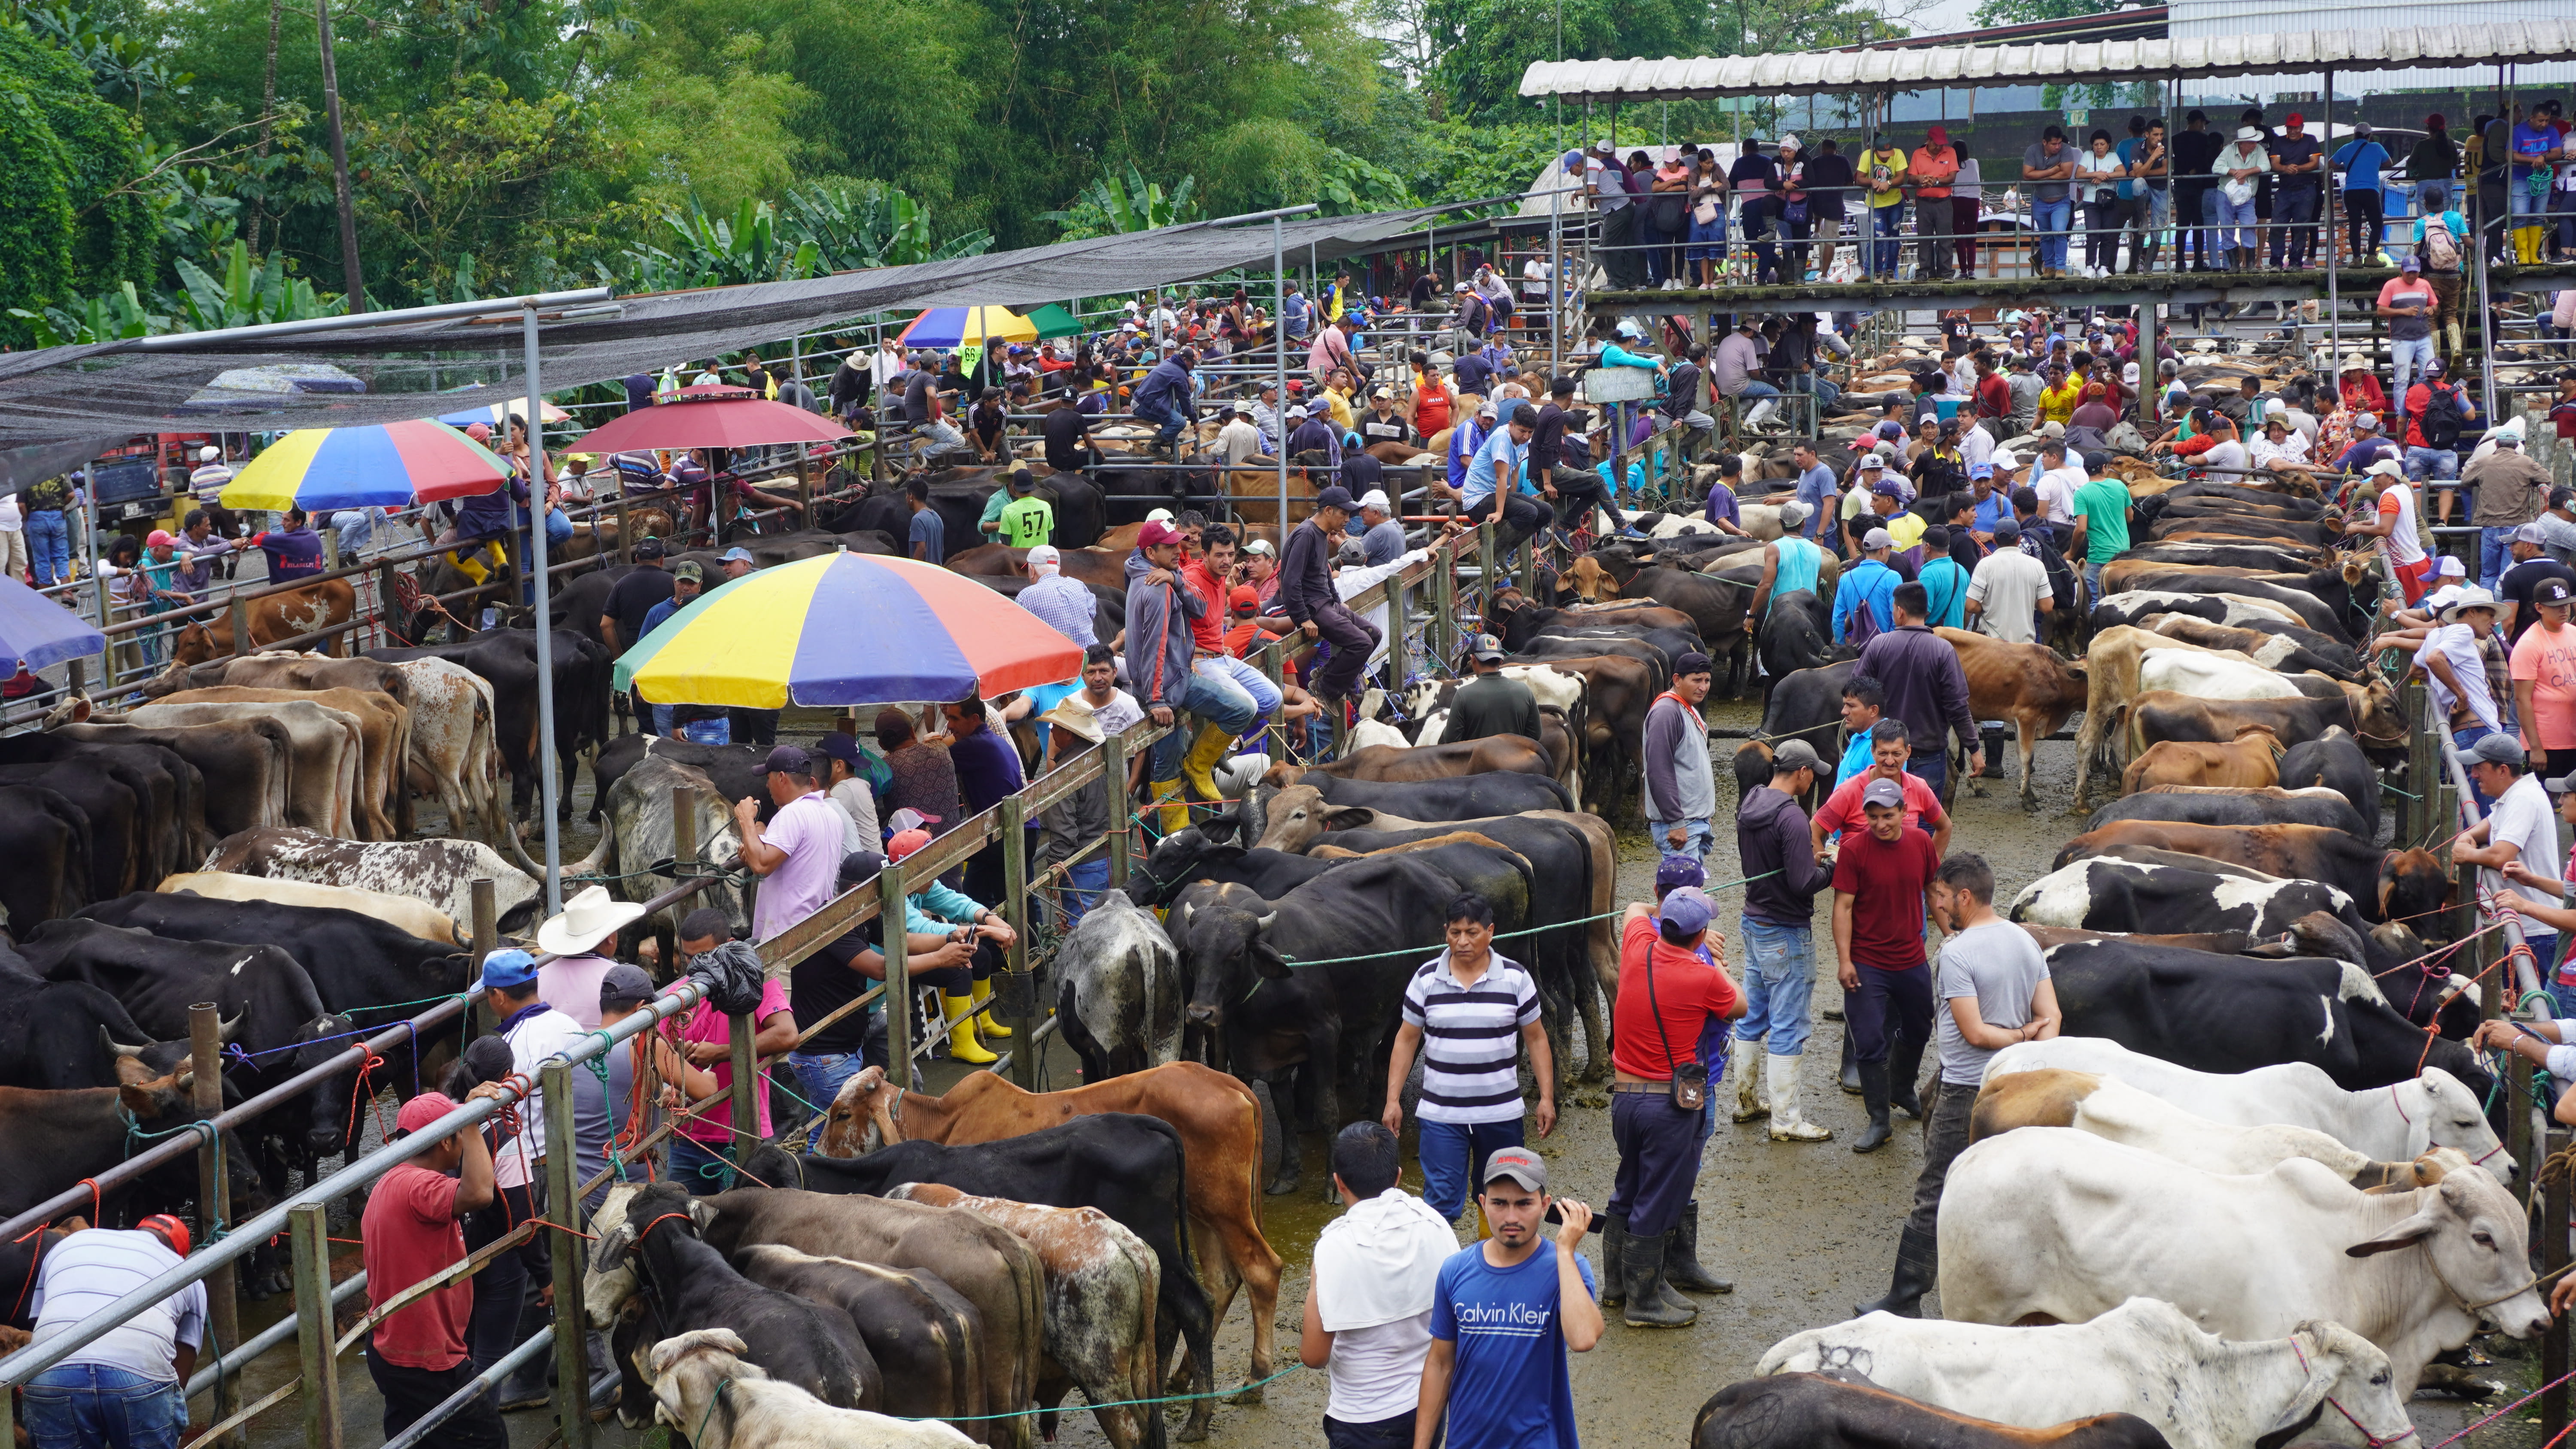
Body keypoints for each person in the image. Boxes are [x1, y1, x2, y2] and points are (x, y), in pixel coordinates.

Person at [1857, 852, 2059, 1318]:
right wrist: (2028, 1051)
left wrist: (2017, 1036)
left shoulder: (1958, 952)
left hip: (1968, 1086)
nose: (1939, 905)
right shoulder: (2024, 940)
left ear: (1965, 896)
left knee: (1934, 1191)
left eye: (1944, 896)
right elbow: (2053, 1017)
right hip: (2017, 1082)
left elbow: (1975, 1032)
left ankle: (1905, 1299)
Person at [1602, 888, 1742, 1328]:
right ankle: (1644, 1301)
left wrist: (1656, 908)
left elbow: (1632, 910)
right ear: (1700, 934)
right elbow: (1741, 1004)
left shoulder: (1636, 946)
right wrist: (1715, 960)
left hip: (1626, 1098)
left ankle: (1619, 1285)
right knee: (1659, 1196)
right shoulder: (1702, 975)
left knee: (1629, 1184)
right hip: (1670, 1103)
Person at [1381, 892, 1556, 1230]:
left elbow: (1536, 1038)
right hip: (1442, 1114)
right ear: (1445, 932)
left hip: (1501, 1112)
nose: (1462, 941)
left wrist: (1546, 1098)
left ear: (1490, 932)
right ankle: (1445, 1274)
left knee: (1501, 1196)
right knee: (1441, 1201)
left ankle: (1492, 1267)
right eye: (1455, 932)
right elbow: (1406, 1039)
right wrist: (1393, 1100)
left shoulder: (1516, 978)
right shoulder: (1426, 979)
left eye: (1472, 932)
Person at [1414, 1145, 1597, 1449]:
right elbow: (1440, 1364)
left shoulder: (1570, 1269)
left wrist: (1565, 1250)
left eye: (1524, 1203)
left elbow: (1584, 1339)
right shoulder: (1455, 1271)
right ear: (1484, 1204)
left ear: (1545, 1205)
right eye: (1500, 1203)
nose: (1511, 1216)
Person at [359, 1089, 511, 1449]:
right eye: (459, 1134)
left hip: (394, 1345)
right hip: (424, 1357)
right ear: (446, 1141)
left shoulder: (392, 1181)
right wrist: (472, 1119)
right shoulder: (420, 1185)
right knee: (488, 1439)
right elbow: (479, 1194)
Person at [1299, 1122, 1455, 1449]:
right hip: (1429, 1405)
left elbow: (1314, 1355)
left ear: (1338, 1182)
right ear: (1398, 1175)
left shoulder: (1333, 1247)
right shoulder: (1435, 1224)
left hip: (1362, 1419)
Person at [21, 1215, 209, 1449]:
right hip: (136, 1377)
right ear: (181, 1253)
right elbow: (183, 1363)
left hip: (53, 1373)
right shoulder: (186, 1271)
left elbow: (40, 1323)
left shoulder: (70, 1244)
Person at [1730, 738, 1835, 1144]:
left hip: (1754, 922)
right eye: (1814, 774)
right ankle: (1787, 1119)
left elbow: (1775, 865)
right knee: (1789, 1022)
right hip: (1786, 930)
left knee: (1753, 1015)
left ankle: (1746, 1100)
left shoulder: (1751, 801)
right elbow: (1801, 883)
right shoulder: (1791, 817)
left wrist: (1805, 861)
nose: (1814, 781)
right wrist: (1831, 871)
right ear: (1803, 773)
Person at [1832, 778, 1941, 1154]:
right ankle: (1880, 1120)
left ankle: (1903, 1087)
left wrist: (1954, 936)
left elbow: (1932, 891)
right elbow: (1843, 907)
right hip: (1868, 962)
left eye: (1888, 816)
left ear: (1904, 813)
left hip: (1911, 958)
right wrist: (1845, 960)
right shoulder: (1853, 849)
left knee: (1920, 1026)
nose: (1881, 824)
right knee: (1868, 1039)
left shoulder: (1921, 843)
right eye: (1874, 817)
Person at [1127, 518, 1255, 818]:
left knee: (1167, 764)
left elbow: (1199, 610)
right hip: (1169, 687)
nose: (1180, 550)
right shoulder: (1156, 588)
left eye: (1178, 544)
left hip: (1173, 679)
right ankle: (1180, 834)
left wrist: (1177, 579)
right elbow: (1154, 647)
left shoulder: (1155, 576)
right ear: (1150, 553)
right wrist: (1156, 699)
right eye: (1170, 547)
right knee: (1166, 766)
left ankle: (1198, 768)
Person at [662, 910, 797, 1186]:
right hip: (685, 1137)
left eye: (706, 957)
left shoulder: (756, 981)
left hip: (740, 1136)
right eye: (689, 959)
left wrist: (721, 1052)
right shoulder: (676, 996)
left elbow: (787, 1035)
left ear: (729, 945)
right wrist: (671, 1087)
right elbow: (658, 1052)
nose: (697, 967)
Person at [2455, 735, 2568, 1008]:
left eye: (2479, 767)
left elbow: (2501, 855)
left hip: (2535, 931)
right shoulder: (2515, 795)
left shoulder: (2523, 799)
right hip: (2526, 923)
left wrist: (2468, 853)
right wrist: (2467, 840)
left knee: (2534, 1011)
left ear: (2503, 770)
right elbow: (2482, 828)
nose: (2474, 774)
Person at [1856, 582, 1981, 799]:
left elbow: (1856, 692)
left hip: (1887, 755)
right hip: (1929, 754)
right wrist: (1975, 750)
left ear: (1900, 612)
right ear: (1926, 611)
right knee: (1924, 825)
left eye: (1893, 608)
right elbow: (1958, 706)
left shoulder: (1879, 645)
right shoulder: (1943, 650)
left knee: (1886, 819)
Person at [732, 744, 847, 946]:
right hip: (814, 925)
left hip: (785, 935)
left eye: (768, 778)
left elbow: (761, 866)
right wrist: (753, 847)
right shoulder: (830, 814)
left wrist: (746, 820)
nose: (767, 786)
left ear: (782, 778)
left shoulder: (792, 813)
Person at [1280, 488, 1379, 709]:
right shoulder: (1306, 535)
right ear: (1328, 511)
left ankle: (1327, 672)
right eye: (1343, 514)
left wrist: (1337, 600)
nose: (1347, 520)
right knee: (1362, 643)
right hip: (1313, 607)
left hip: (1327, 602)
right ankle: (1325, 688)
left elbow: (1324, 571)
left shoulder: (1322, 534)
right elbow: (1289, 581)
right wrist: (1303, 618)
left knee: (1375, 635)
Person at [533, 887, 647, 1030]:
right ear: (611, 938)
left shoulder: (539, 975)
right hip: (608, 1051)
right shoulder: (622, 980)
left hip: (552, 1052)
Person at [1641, 651, 1715, 862]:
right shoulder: (1667, 712)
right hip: (1680, 825)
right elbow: (1658, 770)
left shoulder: (1687, 708)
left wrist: (1704, 812)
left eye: (1707, 680)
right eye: (1697, 680)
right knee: (1683, 893)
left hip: (1693, 821)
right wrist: (1675, 821)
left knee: (1690, 889)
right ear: (1677, 680)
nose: (1703, 687)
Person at [2346, 460, 2435, 605]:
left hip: (2407, 567)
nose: (2373, 480)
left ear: (2391, 478)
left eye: (2377, 476)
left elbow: (2385, 529)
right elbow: (2387, 518)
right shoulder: (2403, 489)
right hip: (2416, 561)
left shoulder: (2389, 496)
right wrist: (2363, 523)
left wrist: (2357, 528)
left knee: (2409, 615)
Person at [1964, 519, 2051, 644]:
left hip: (1992, 644)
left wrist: (1987, 607)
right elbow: (2047, 606)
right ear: (2019, 540)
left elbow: (1971, 605)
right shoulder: (2037, 566)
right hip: (2025, 645)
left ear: (1994, 540)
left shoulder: (1984, 565)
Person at [1446, 635, 1540, 746]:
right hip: (1516, 762)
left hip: (1477, 762)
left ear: (1473, 660)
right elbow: (1536, 734)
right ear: (1501, 661)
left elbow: (1451, 740)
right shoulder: (1525, 691)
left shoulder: (1463, 695)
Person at [2066, 462, 2132, 600]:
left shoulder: (2082, 493)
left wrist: (2071, 553)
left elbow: (2081, 529)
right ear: (2104, 468)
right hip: (2124, 554)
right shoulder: (2120, 486)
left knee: (2093, 600)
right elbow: (2130, 517)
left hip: (2100, 557)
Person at [2211, 127, 2270, 271]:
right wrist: (2235, 173)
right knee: (2227, 228)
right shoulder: (2229, 150)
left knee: (2249, 225)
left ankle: (2249, 265)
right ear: (2242, 143)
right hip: (2226, 195)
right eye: (2251, 142)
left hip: (2248, 196)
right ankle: (2235, 265)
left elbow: (2267, 166)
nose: (2255, 144)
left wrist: (2246, 172)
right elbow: (2216, 167)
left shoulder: (2259, 151)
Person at [2021, 127, 2076, 278]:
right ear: (2044, 142)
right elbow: (2027, 175)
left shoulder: (2066, 150)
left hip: (2061, 201)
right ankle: (2049, 268)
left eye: (2059, 143)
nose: (2058, 147)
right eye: (2054, 144)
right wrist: (2052, 171)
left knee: (2059, 232)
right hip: (2040, 201)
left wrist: (2039, 177)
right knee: (2045, 235)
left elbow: (2066, 174)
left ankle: (2061, 268)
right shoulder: (2033, 151)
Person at [904, 477, 945, 563]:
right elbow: (942, 549)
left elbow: (922, 549)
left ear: (911, 496)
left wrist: (911, 570)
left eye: (906, 495)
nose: (906, 499)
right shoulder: (937, 517)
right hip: (937, 572)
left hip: (923, 574)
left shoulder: (918, 519)